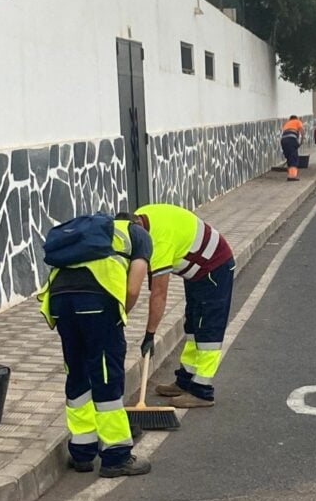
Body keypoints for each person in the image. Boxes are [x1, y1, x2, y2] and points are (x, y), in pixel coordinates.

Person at [38, 214, 153, 478]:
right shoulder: (139, 236)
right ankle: (116, 456)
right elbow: (133, 289)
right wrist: (119, 318)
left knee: (77, 372)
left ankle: (82, 452)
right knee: (105, 375)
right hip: (96, 302)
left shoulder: (90, 234)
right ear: (139, 223)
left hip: (60, 300)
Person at [127, 204, 235, 408]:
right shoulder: (141, 219)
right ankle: (185, 381)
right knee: (193, 325)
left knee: (208, 329)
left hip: (214, 269)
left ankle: (203, 391)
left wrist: (150, 335)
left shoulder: (158, 242)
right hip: (196, 273)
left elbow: (159, 294)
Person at [280, 115, 304, 182]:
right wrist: (301, 142)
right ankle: (292, 177)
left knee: (289, 157)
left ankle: (290, 174)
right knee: (293, 157)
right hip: (291, 140)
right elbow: (302, 132)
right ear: (296, 119)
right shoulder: (297, 121)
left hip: (283, 141)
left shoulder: (287, 123)